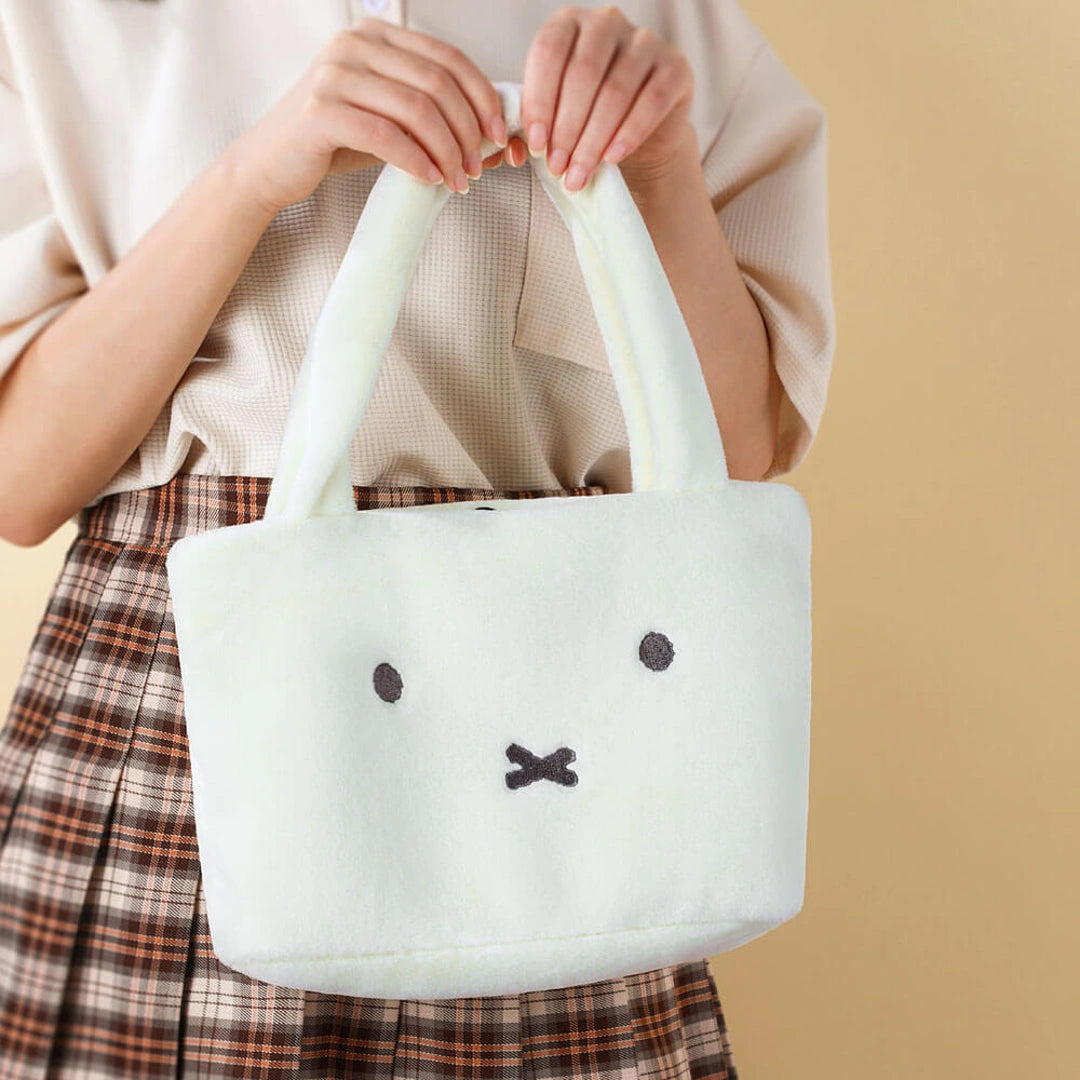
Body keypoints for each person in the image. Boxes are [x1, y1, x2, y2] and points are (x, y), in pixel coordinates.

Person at [0, 0, 835, 1075]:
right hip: (193, 705)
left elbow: (731, 451)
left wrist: (661, 168)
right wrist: (251, 177)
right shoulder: (61, 21)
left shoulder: (665, 23)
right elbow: (19, 478)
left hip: (557, 697)